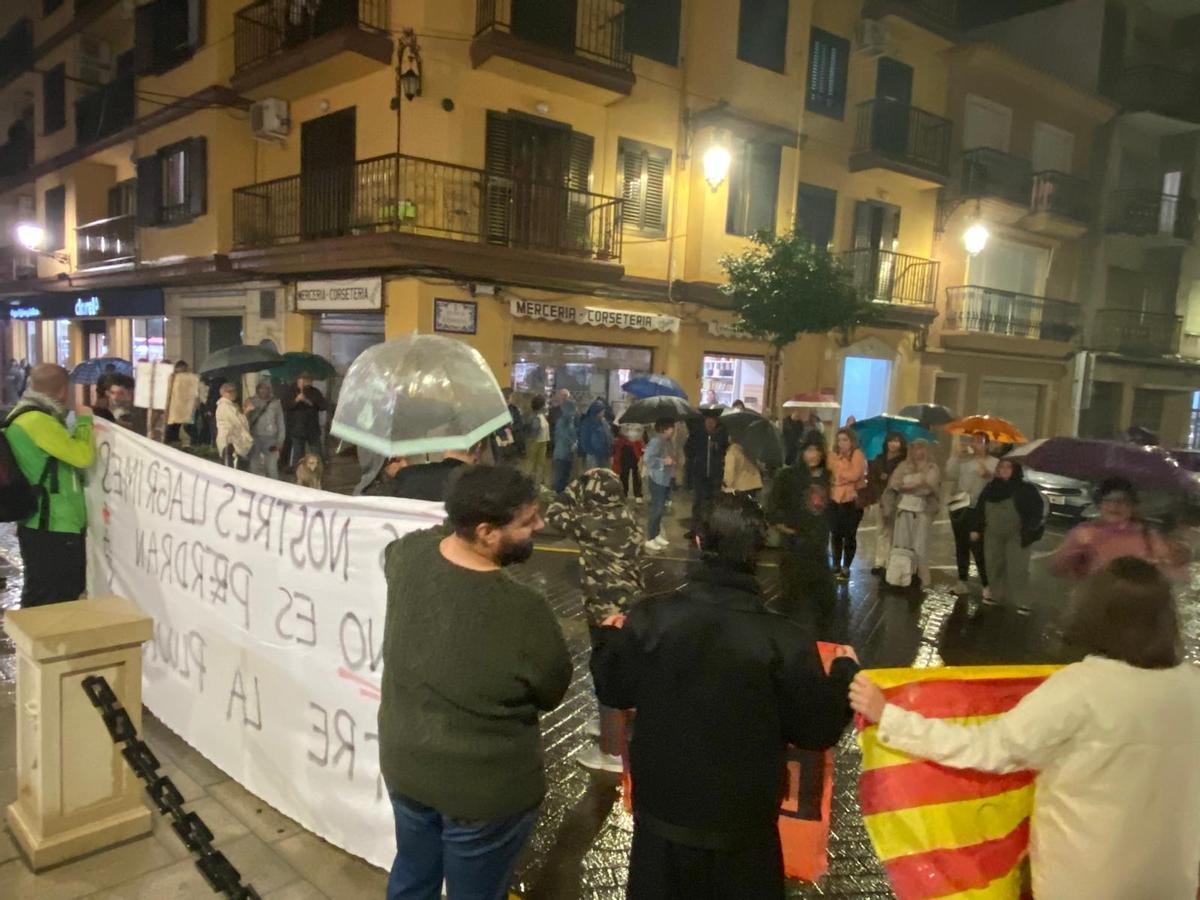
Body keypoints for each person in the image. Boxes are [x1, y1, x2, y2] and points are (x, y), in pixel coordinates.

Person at [849, 556, 1200, 900]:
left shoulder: (1081, 689)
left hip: (1084, 881)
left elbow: (988, 749)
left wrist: (891, 716)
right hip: (1171, 881)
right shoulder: (1192, 688)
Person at [591, 494, 860, 899]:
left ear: (699, 543)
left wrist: (609, 640)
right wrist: (843, 671)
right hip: (745, 825)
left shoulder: (651, 617)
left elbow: (615, 688)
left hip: (664, 814)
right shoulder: (785, 639)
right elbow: (816, 730)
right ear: (756, 551)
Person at [379, 466, 572, 900]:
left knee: (412, 875)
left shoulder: (407, 555)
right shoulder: (523, 609)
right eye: (527, 522)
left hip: (406, 766)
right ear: (485, 532)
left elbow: (424, 539)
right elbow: (552, 690)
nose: (540, 526)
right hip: (483, 793)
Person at [546, 468, 644, 773]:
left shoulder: (592, 522)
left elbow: (554, 514)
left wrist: (576, 485)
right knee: (623, 669)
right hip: (631, 608)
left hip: (606, 611)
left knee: (607, 674)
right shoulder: (627, 517)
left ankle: (612, 752)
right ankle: (612, 726)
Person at [4, 364, 94, 606]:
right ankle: (41, 644)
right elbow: (82, 456)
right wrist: (85, 421)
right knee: (52, 598)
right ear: (64, 390)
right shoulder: (37, 421)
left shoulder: (24, 415)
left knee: (45, 594)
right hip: (53, 524)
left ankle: (36, 642)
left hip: (40, 522)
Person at [1052, 477, 1189, 581]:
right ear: (1099, 504)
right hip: (1097, 608)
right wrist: (1075, 550)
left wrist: (1177, 555)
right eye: (1109, 500)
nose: (1115, 506)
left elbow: (1174, 573)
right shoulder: (1084, 532)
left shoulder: (1147, 533)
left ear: (1133, 506)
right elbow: (1058, 570)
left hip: (1137, 608)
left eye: (1123, 500)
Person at [766, 440, 835, 625]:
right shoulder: (789, 476)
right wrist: (787, 530)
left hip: (818, 544)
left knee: (822, 600)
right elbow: (773, 508)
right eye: (809, 450)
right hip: (795, 543)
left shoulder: (828, 476)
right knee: (792, 595)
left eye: (816, 450)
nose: (813, 455)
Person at [970, 459, 1045, 614]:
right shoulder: (991, 488)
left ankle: (1022, 600)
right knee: (993, 564)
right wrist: (976, 528)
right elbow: (980, 508)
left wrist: (1030, 528)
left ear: (1015, 469)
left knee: (1017, 567)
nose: (1004, 470)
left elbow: (1036, 510)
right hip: (993, 534)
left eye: (1008, 467)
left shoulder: (1026, 489)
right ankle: (997, 595)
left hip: (1017, 535)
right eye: (1001, 467)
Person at [946, 432, 997, 598]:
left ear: (987, 444)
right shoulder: (964, 461)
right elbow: (950, 474)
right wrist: (955, 455)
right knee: (961, 545)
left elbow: (998, 484)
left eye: (981, 441)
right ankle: (962, 581)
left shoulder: (994, 463)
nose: (976, 445)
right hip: (961, 506)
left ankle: (987, 584)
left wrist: (988, 475)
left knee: (979, 548)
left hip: (979, 510)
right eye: (974, 441)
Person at [884, 438, 940, 586]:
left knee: (920, 546)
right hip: (903, 510)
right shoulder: (903, 466)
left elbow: (929, 488)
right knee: (902, 545)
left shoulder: (931, 468)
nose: (917, 452)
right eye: (915, 449)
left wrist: (912, 486)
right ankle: (902, 577)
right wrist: (911, 486)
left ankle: (922, 579)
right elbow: (894, 484)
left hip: (922, 512)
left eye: (921, 448)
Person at [370, 441, 486, 502]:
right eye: (397, 460)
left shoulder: (409, 476)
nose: (405, 464)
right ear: (479, 446)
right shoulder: (482, 486)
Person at [827, 427, 867, 581]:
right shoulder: (833, 455)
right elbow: (829, 473)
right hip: (834, 498)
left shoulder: (857, 455)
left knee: (849, 534)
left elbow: (856, 474)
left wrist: (840, 476)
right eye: (839, 440)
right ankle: (836, 564)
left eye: (845, 440)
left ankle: (846, 566)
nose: (842, 443)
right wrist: (842, 476)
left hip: (851, 500)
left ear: (851, 441)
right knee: (835, 533)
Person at [865, 432, 907, 575]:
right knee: (881, 530)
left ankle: (890, 562)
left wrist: (888, 478)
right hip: (880, 498)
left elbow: (902, 480)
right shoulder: (879, 458)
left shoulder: (904, 461)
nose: (893, 444)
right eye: (891, 441)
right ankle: (879, 562)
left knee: (892, 531)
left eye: (896, 441)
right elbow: (872, 477)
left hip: (896, 500)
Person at [685, 410, 727, 538]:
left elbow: (725, 450)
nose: (710, 424)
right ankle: (695, 529)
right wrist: (696, 458)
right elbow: (688, 449)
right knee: (697, 503)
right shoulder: (697, 433)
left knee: (713, 503)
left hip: (715, 475)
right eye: (708, 421)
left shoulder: (721, 434)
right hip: (700, 473)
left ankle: (711, 530)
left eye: (713, 421)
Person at [642, 419, 676, 552]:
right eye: (671, 428)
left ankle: (656, 535)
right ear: (665, 429)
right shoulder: (657, 441)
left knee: (660, 508)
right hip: (657, 479)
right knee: (656, 509)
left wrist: (671, 462)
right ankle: (650, 538)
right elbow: (648, 459)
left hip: (665, 479)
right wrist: (664, 461)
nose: (673, 430)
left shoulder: (666, 441)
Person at [283, 374, 326, 467]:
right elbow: (285, 406)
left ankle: (318, 475)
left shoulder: (315, 392)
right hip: (297, 428)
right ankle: (298, 476)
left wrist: (307, 401)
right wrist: (296, 400)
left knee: (316, 454)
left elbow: (323, 406)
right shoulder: (290, 391)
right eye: (304, 379)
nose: (307, 381)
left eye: (308, 379)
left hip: (312, 429)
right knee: (298, 455)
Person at [246, 381, 286, 480]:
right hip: (255, 437)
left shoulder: (276, 403)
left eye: (266, 388)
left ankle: (274, 490)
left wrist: (280, 440)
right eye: (261, 388)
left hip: (271, 439)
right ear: (257, 389)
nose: (263, 390)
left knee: (272, 467)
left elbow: (281, 422)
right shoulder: (250, 401)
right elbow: (243, 421)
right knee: (254, 466)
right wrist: (248, 411)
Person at [215, 383, 252, 470]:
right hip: (229, 441)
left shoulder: (231, 405)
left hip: (233, 441)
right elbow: (238, 422)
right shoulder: (224, 405)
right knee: (229, 471)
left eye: (235, 391)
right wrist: (247, 410)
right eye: (230, 391)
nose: (234, 393)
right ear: (224, 393)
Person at [164, 360, 199, 445]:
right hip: (188, 407)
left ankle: (173, 444)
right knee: (190, 429)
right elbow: (196, 393)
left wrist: (166, 407)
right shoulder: (193, 377)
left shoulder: (172, 378)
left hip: (175, 407)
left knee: (172, 430)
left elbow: (168, 393)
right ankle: (196, 444)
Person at [551, 394, 578, 492]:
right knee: (560, 478)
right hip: (561, 454)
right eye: (573, 409)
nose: (575, 412)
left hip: (568, 454)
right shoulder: (562, 422)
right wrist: (572, 443)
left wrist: (575, 442)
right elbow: (563, 435)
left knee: (565, 477)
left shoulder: (570, 421)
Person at [721, 434, 762, 499]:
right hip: (755, 483)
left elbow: (729, 471)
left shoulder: (732, 451)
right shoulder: (747, 449)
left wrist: (725, 485)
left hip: (742, 486)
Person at [578, 398, 614, 471]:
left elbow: (609, 436)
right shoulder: (588, 423)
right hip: (593, 456)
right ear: (597, 411)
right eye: (602, 411)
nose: (603, 413)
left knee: (605, 476)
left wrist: (610, 452)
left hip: (605, 455)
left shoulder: (604, 422)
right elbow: (584, 440)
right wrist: (591, 452)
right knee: (594, 477)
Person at [611, 423, 644, 502]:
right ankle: (624, 493)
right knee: (624, 475)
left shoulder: (638, 422)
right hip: (624, 451)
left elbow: (642, 436)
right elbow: (617, 434)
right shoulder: (621, 421)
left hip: (635, 451)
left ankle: (638, 494)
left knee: (636, 474)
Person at [525, 395, 551, 487]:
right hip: (535, 442)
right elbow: (534, 430)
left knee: (540, 463)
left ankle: (537, 482)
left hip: (542, 441)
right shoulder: (536, 417)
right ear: (541, 405)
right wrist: (532, 439)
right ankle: (530, 482)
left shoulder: (540, 416)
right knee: (533, 463)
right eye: (544, 404)